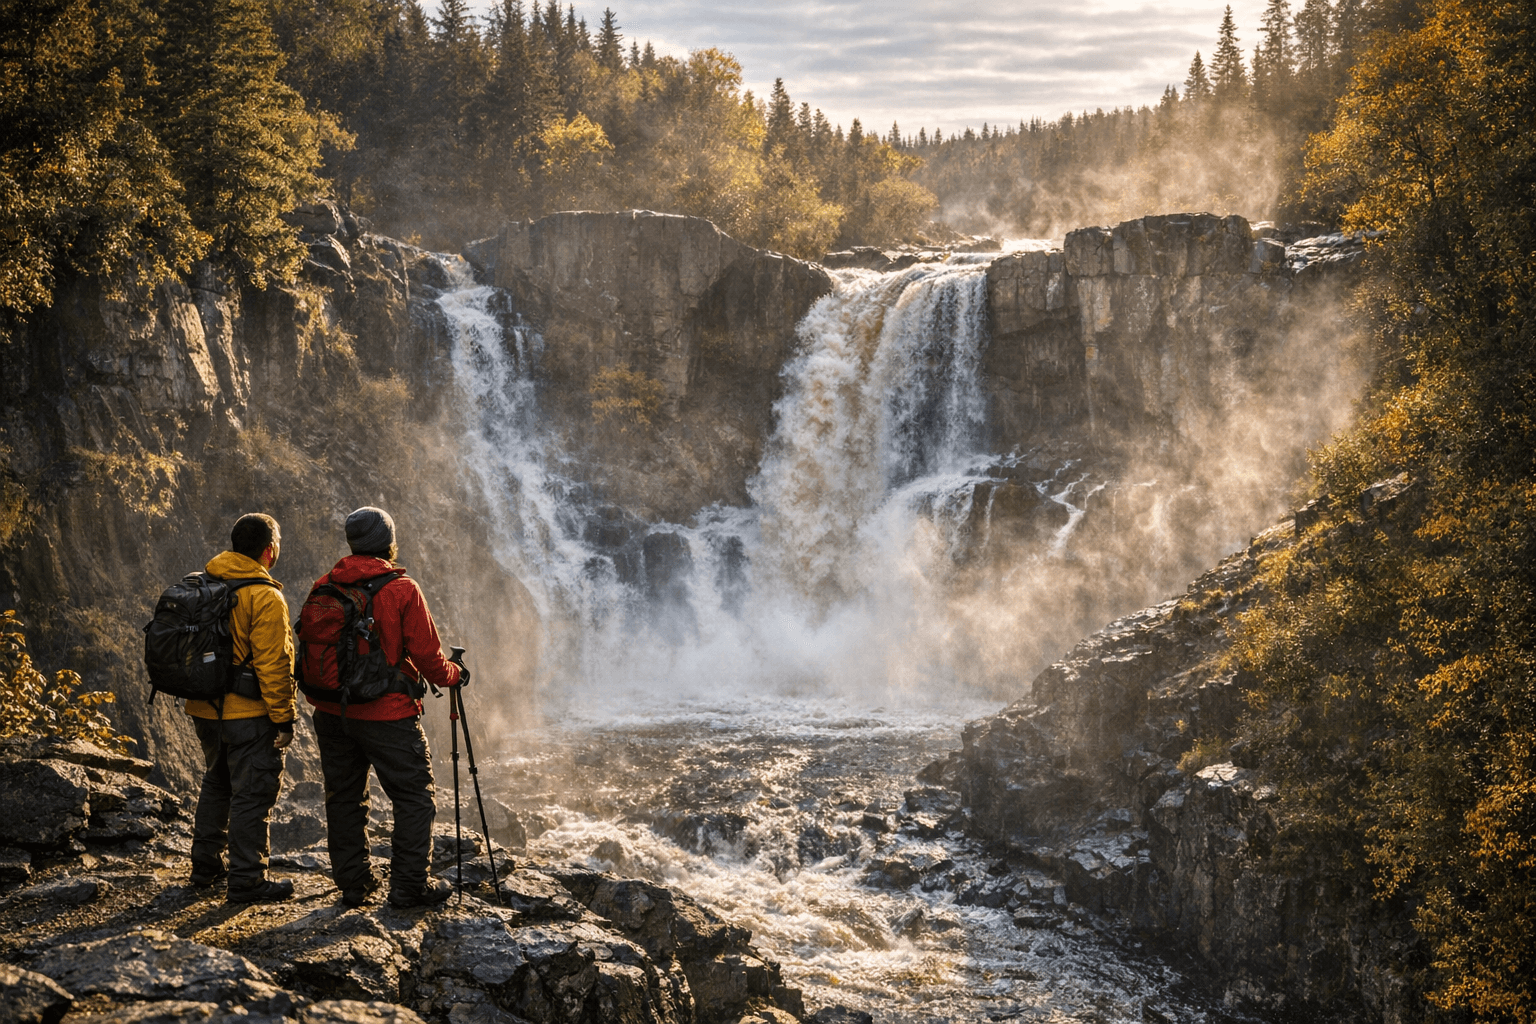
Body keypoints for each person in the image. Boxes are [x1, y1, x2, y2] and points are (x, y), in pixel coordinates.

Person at [303, 506, 465, 908]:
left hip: (331, 711)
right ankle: (410, 887)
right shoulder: (400, 588)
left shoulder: (325, 585)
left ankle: (354, 885)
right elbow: (429, 658)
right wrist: (455, 676)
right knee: (413, 796)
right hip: (387, 714)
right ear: (388, 543)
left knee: (344, 796)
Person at [187, 512, 297, 904]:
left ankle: (205, 867)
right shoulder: (264, 596)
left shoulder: (206, 582)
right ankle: (248, 879)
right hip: (248, 714)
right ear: (270, 550)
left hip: (204, 708)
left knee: (217, 782)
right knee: (252, 793)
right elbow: (275, 663)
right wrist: (284, 718)